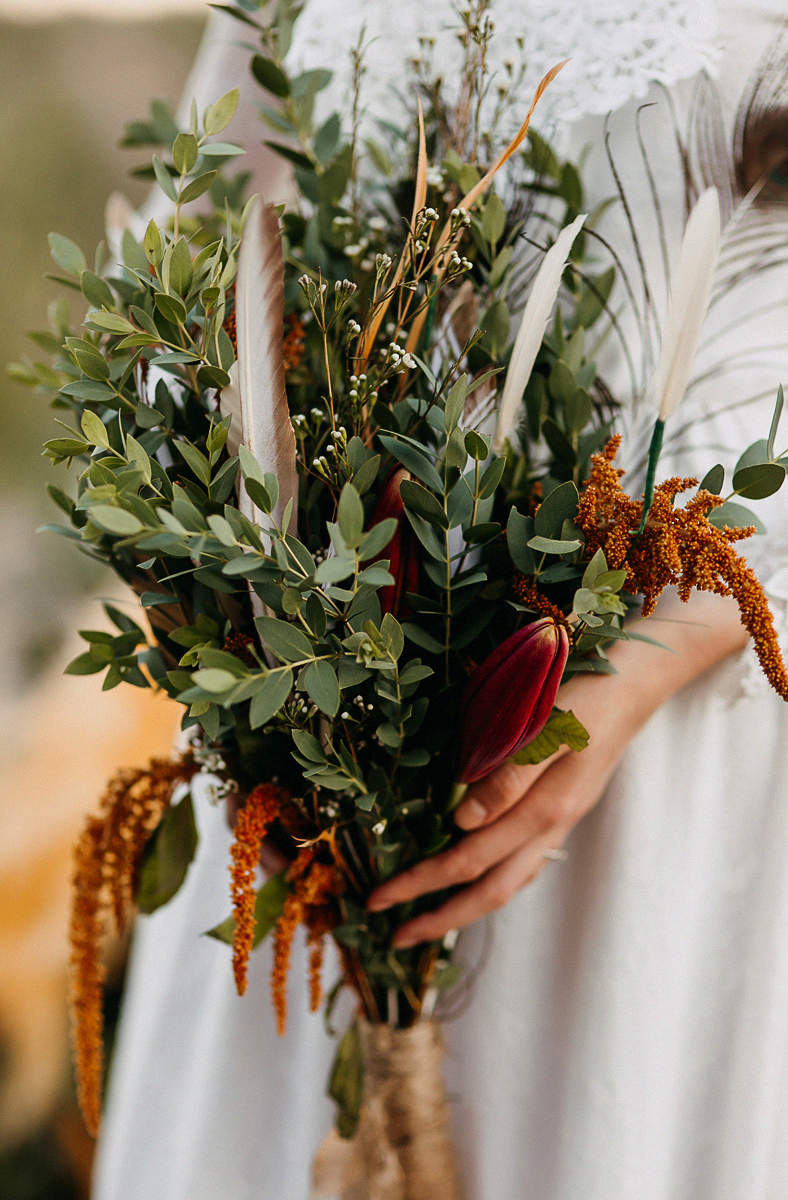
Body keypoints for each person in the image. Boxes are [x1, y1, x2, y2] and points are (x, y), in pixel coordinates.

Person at [93, 3, 788, 1197]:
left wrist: (653, 656)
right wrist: (211, 586)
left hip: (655, 693)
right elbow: (210, 219)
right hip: (309, 671)